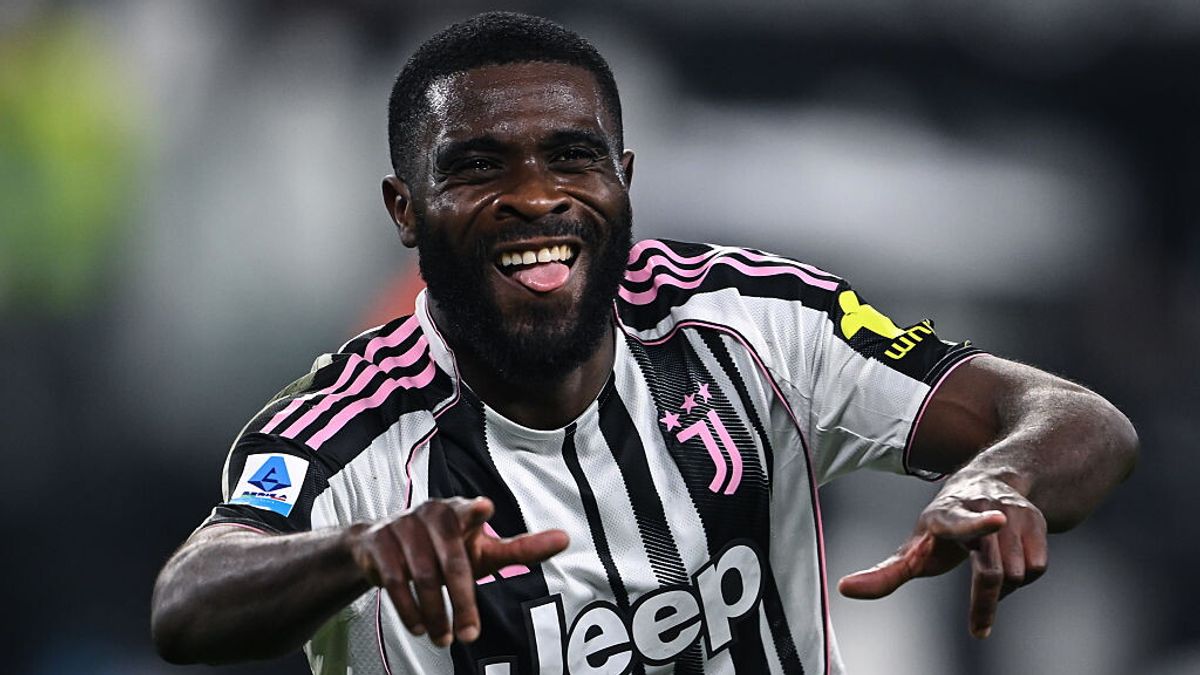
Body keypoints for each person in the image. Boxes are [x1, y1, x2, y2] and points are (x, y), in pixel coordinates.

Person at [150, 12, 1137, 675]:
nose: (536, 197)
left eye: (572, 158)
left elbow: (1079, 422)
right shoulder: (353, 427)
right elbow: (190, 600)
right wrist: (355, 551)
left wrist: (1001, 475)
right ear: (405, 212)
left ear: (624, 177)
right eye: (481, 169)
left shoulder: (753, 325)